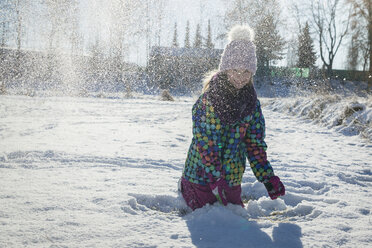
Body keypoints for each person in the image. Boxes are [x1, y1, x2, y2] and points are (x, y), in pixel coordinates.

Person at [179, 25, 285, 210]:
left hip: (231, 180)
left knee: (236, 225)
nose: (240, 76)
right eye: (235, 69)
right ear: (225, 69)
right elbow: (207, 143)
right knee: (209, 225)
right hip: (200, 178)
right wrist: (215, 178)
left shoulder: (252, 104)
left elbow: (255, 144)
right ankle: (184, 187)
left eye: (246, 72)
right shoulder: (209, 101)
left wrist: (267, 177)